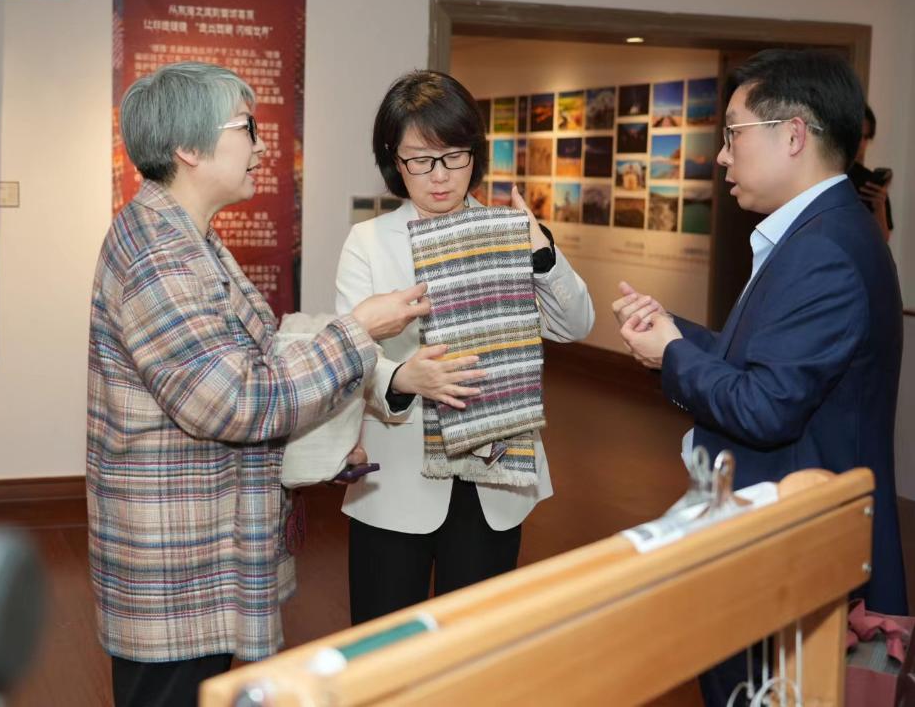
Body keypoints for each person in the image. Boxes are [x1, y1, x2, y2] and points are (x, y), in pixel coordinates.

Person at [87, 61, 429, 707]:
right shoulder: (160, 258)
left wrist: (324, 447)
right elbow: (237, 401)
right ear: (189, 149)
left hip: (193, 544)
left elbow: (256, 356)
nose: (261, 145)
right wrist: (357, 331)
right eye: (246, 127)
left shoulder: (185, 236)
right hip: (176, 557)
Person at [612, 49, 906, 705]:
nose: (722, 157)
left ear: (793, 135)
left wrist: (671, 355)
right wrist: (675, 332)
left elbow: (766, 406)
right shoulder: (824, 232)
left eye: (733, 134)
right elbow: (767, 364)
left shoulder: (822, 250)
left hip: (792, 550)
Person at [335, 70, 595, 625]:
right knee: (387, 646)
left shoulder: (509, 231)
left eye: (453, 157)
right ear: (394, 161)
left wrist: (541, 254)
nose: (439, 176)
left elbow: (576, 325)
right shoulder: (369, 242)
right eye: (419, 160)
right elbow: (350, 358)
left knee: (478, 644)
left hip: (494, 480)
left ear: (474, 153)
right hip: (396, 483)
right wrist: (404, 378)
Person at [848, 104, 893, 242]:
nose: (861, 144)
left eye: (866, 138)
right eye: (857, 135)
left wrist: (879, 208)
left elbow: (883, 242)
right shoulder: (821, 173)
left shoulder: (869, 183)